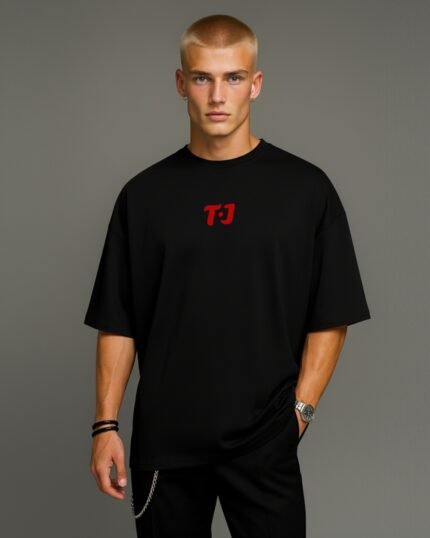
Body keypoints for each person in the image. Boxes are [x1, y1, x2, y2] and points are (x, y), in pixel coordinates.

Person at [84, 13, 371, 538]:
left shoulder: (306, 190)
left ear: (255, 84)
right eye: (202, 78)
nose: (217, 95)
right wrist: (105, 426)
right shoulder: (143, 197)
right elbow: (118, 319)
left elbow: (332, 314)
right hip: (167, 443)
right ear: (181, 83)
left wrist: (299, 414)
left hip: (265, 442)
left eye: (233, 78)